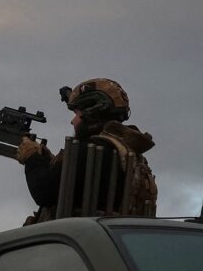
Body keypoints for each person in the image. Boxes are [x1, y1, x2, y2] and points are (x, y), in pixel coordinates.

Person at [15, 78, 157, 224]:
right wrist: (46, 160)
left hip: (73, 239)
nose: (73, 121)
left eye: (76, 114)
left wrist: (31, 157)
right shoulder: (125, 153)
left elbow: (44, 192)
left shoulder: (93, 150)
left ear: (91, 113)